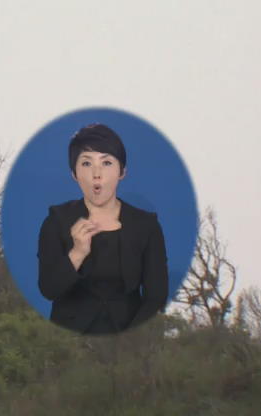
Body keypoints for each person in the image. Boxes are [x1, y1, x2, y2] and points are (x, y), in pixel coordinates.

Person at [37, 123, 168, 334]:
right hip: (69, 340)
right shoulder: (56, 221)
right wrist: (77, 253)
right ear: (74, 173)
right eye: (86, 164)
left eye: (106, 162)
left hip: (128, 340)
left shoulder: (146, 225)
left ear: (122, 171)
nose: (96, 174)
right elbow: (49, 289)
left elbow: (156, 296)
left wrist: (130, 341)